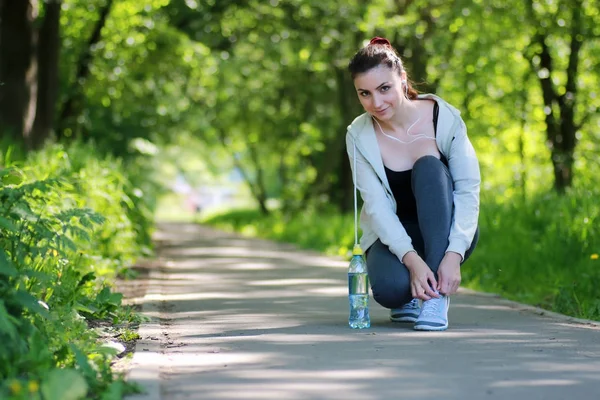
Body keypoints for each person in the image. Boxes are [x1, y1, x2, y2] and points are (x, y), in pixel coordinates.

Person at [346, 37, 480, 331]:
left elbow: (468, 191)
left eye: (384, 89)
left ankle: (434, 297)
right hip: (393, 234)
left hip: (444, 230)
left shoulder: (442, 118)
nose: (376, 103)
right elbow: (377, 208)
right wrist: (412, 262)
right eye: (364, 93)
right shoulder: (358, 135)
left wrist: (454, 254)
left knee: (430, 166)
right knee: (391, 290)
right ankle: (412, 290)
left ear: (402, 80)